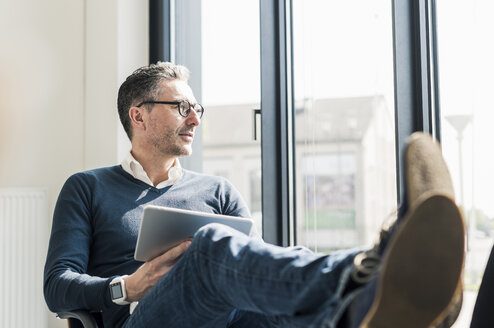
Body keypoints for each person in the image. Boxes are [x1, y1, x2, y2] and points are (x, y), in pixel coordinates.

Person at [44, 62, 465, 328]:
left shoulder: (216, 190)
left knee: (276, 274)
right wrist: (126, 287)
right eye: (181, 107)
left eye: (198, 109)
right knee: (211, 247)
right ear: (138, 115)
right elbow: (58, 286)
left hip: (227, 316)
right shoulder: (88, 187)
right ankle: (371, 271)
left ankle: (369, 308)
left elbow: (259, 269)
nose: (195, 118)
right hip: (142, 319)